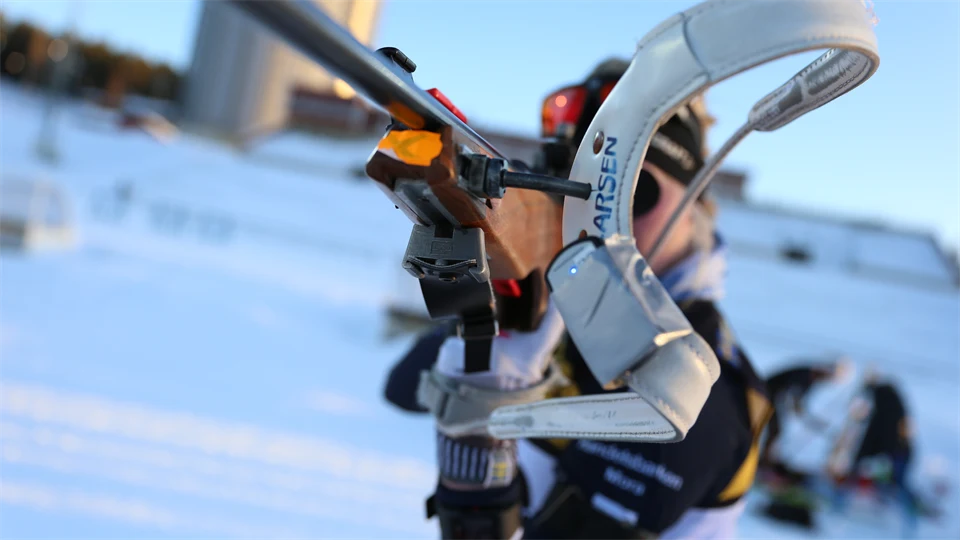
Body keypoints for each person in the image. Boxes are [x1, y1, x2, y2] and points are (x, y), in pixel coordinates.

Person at [383, 58, 772, 540]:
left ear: (694, 203)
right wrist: (497, 308)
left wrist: (485, 397)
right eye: (577, 188)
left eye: (629, 189)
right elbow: (404, 385)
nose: (597, 216)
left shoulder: (699, 382)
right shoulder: (567, 302)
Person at [760, 357, 853, 471]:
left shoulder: (809, 378)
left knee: (775, 431)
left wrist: (813, 422)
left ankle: (765, 461)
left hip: (770, 399)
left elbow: (797, 404)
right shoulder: (805, 376)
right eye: (828, 377)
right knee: (775, 430)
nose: (825, 380)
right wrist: (812, 421)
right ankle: (764, 462)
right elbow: (794, 400)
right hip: (764, 397)